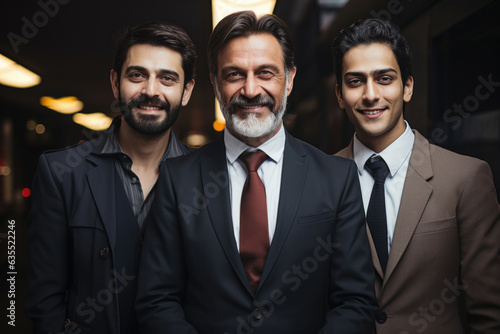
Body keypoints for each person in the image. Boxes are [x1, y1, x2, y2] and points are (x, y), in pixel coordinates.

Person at [135, 11, 377, 334]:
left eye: (265, 73)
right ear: (215, 81)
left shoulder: (338, 179)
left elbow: (355, 303)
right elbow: (156, 301)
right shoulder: (177, 180)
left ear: (290, 79)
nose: (250, 90)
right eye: (234, 74)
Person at [25, 21, 196, 334]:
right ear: (116, 83)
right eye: (137, 75)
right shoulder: (62, 173)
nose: (150, 91)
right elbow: (43, 300)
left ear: (186, 91)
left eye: (167, 78)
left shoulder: (208, 177)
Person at [333, 18, 500, 333]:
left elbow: (490, 314)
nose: (370, 94)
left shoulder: (465, 178)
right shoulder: (316, 180)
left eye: (384, 78)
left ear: (407, 87)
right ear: (340, 95)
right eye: (355, 81)